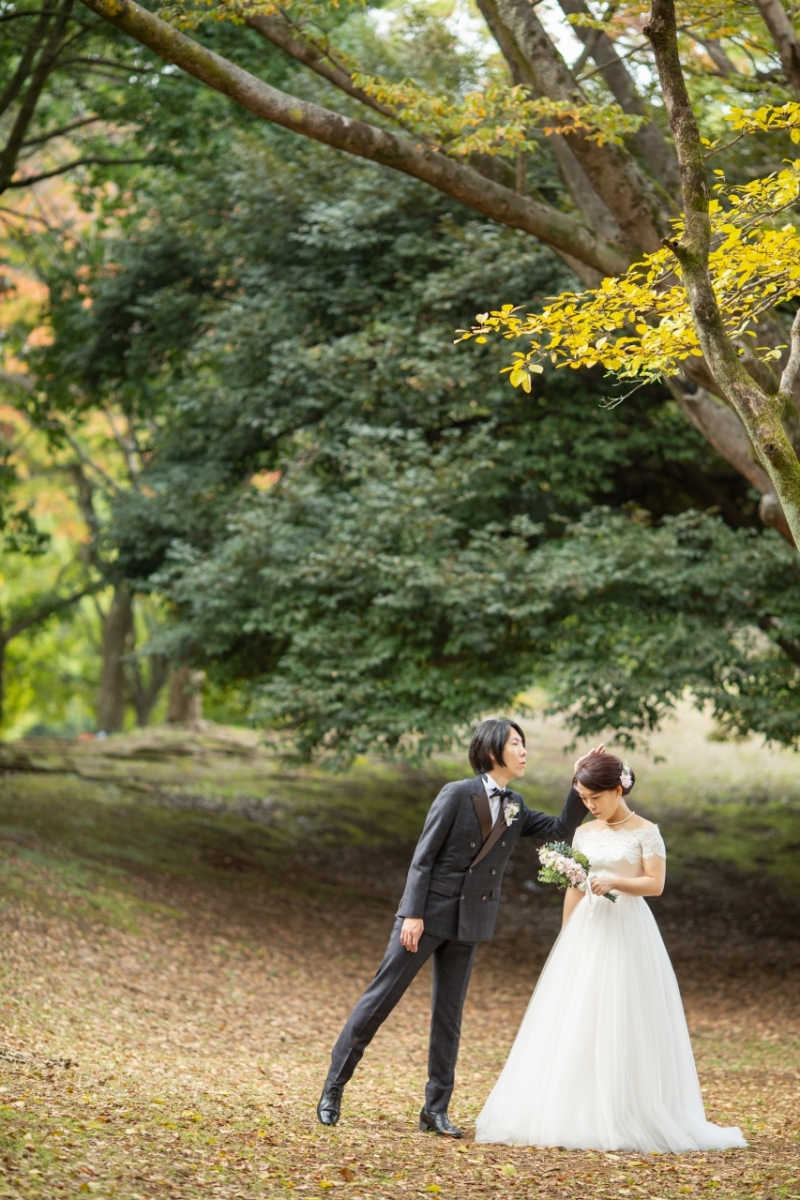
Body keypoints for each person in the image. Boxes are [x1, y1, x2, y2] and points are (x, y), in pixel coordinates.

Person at [316, 717, 592, 1137]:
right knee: (380, 1000)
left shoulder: (515, 804)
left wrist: (578, 781)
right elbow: (422, 857)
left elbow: (558, 830)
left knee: (449, 1017)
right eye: (516, 743)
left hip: (470, 922)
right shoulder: (456, 794)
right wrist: (411, 913)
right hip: (425, 917)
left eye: (524, 743)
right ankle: (333, 1088)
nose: (523, 751)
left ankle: (435, 1109)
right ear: (492, 750)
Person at [476, 750, 747, 1152]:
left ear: (617, 789)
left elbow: (655, 884)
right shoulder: (584, 833)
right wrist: (566, 934)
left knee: (622, 1009)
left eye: (595, 799)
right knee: (579, 1012)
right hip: (588, 928)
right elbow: (574, 883)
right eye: (583, 799)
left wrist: (615, 881)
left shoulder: (646, 832)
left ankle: (626, 1108)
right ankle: (574, 1106)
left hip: (627, 930)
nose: (589, 806)